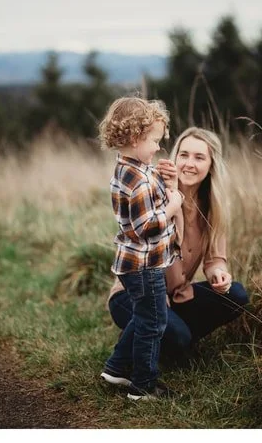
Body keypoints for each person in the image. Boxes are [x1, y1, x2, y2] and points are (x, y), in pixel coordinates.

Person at [106, 127, 249, 367]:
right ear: (175, 157)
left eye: (199, 157)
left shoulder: (214, 206)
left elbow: (215, 259)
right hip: (135, 295)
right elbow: (145, 251)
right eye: (183, 155)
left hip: (177, 295)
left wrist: (218, 274)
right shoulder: (157, 192)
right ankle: (143, 346)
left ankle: (162, 339)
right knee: (179, 337)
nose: (189, 164)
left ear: (212, 164)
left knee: (236, 294)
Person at [97, 97, 184, 401]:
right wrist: (173, 207)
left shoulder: (134, 169)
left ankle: (117, 368)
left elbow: (145, 201)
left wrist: (163, 179)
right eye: (154, 141)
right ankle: (144, 385)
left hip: (139, 263)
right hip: (144, 265)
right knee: (153, 322)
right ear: (135, 138)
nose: (158, 147)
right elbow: (144, 226)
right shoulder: (137, 180)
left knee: (146, 316)